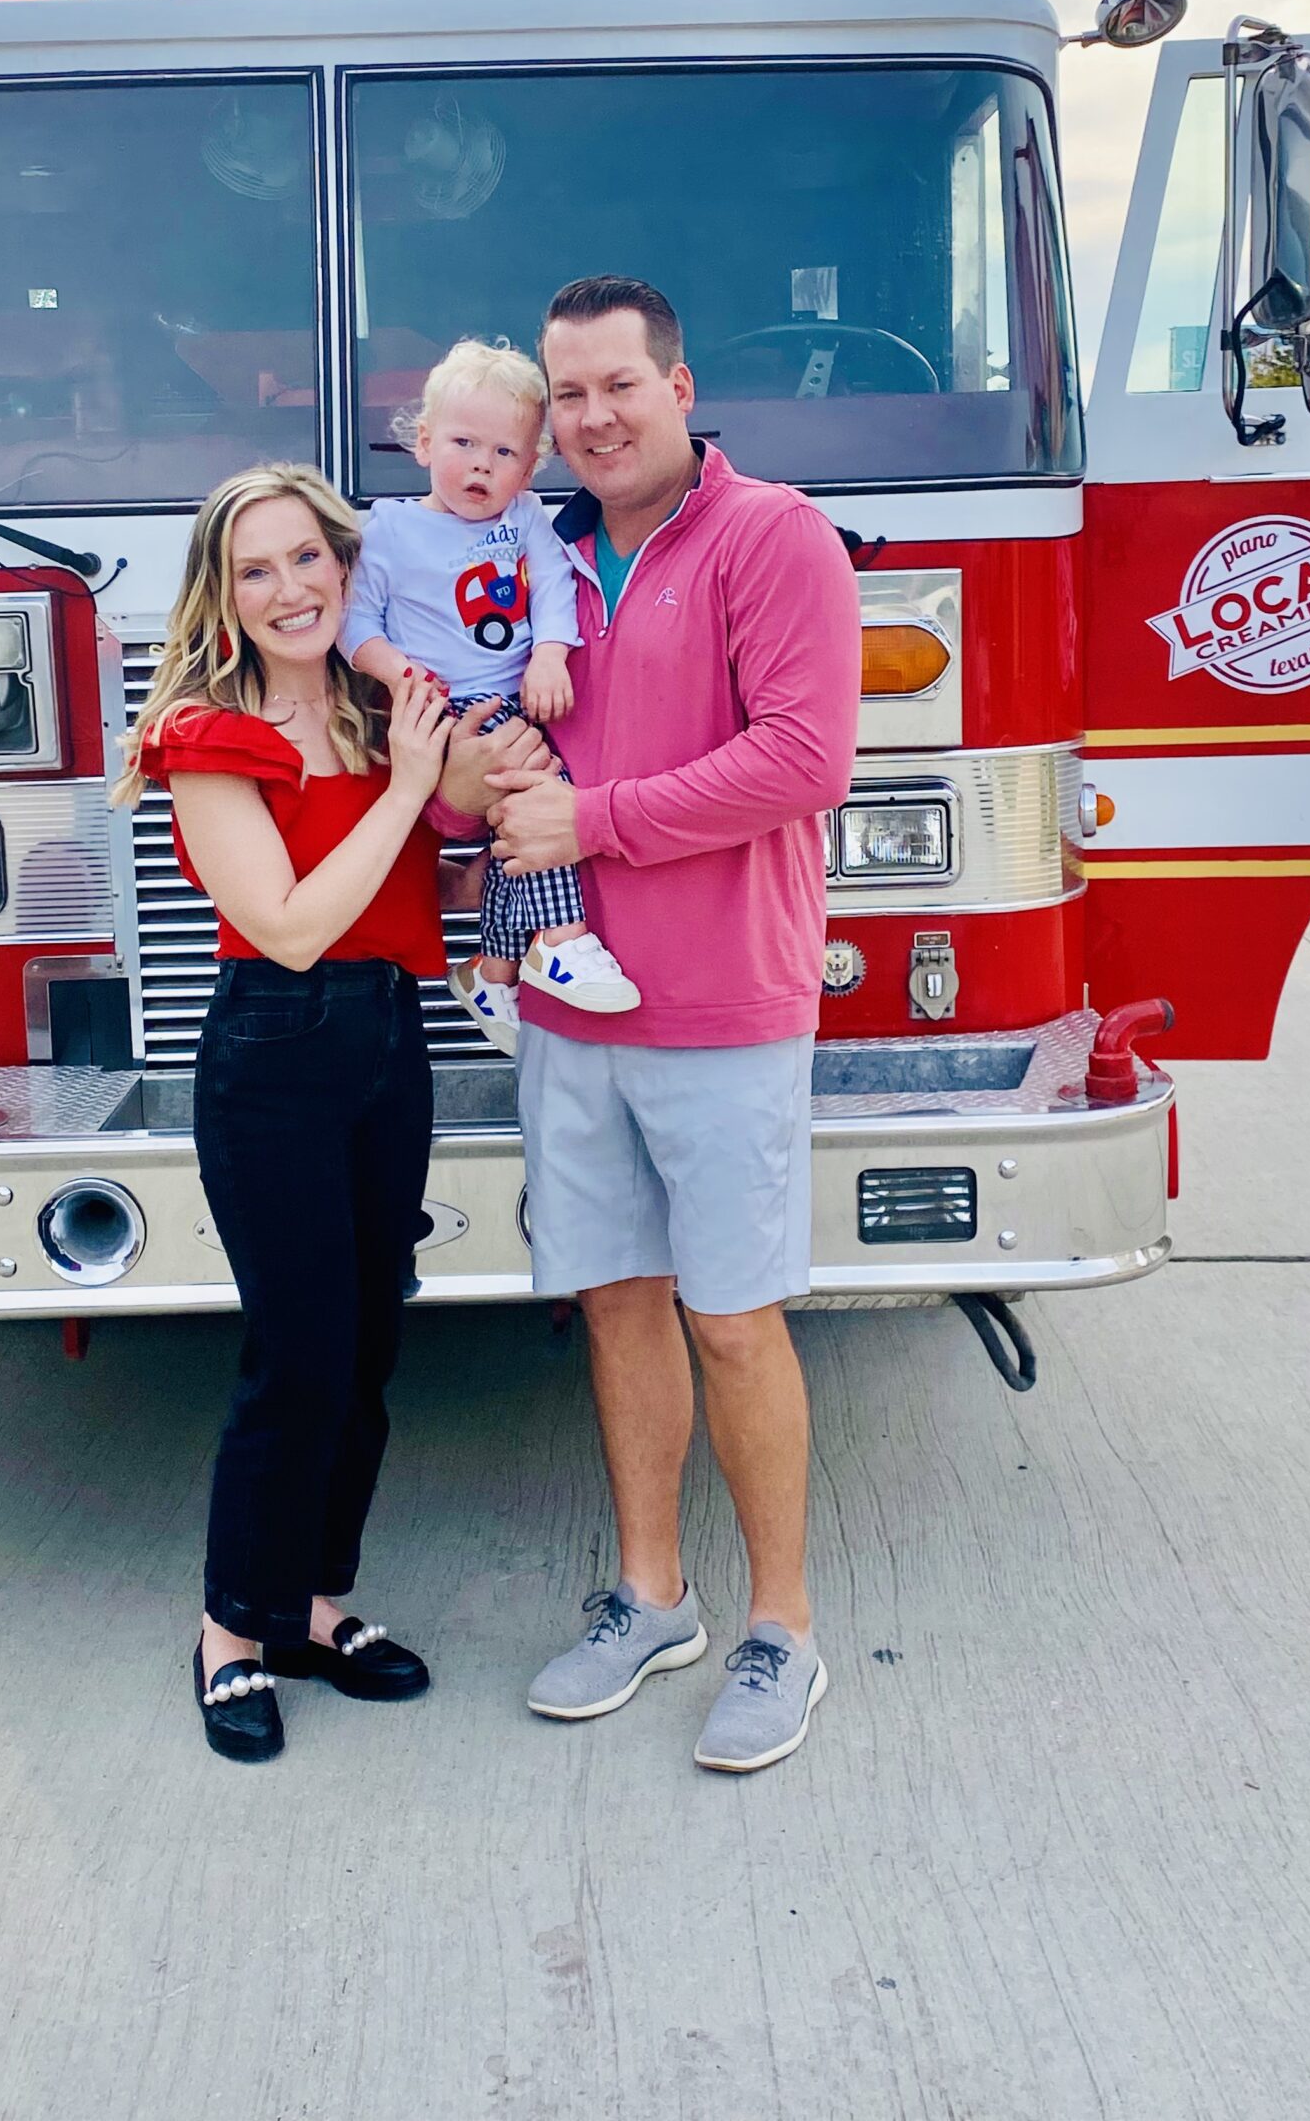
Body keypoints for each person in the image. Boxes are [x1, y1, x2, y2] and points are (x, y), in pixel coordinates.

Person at [488, 276, 862, 1774]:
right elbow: (501, 748)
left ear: (681, 384)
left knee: (733, 1317)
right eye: (565, 397)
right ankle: (653, 1599)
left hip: (721, 1005)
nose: (590, 420)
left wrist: (595, 818)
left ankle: (785, 1630)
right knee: (619, 1304)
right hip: (567, 1010)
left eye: (616, 387)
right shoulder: (541, 558)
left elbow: (802, 758)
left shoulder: (773, 538)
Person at [115, 461, 544, 1762]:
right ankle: (231, 1633)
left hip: (388, 1042)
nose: (291, 587)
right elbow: (292, 927)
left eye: (309, 559)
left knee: (368, 1351)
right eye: (258, 569)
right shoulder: (205, 737)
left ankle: (314, 1606)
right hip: (274, 1051)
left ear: (348, 568)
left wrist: (482, 746)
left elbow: (469, 803)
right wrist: (416, 787)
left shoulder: (384, 704)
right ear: (224, 597)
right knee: (296, 1354)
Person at [344, 337, 639, 1052]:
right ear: (422, 442)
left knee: (518, 820)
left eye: (505, 453)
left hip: (517, 698)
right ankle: (561, 940)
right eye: (463, 442)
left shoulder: (526, 519)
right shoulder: (388, 530)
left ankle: (494, 967)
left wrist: (548, 657)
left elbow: (557, 591)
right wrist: (398, 674)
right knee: (542, 799)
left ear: (530, 466)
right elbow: (355, 625)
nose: (482, 463)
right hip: (438, 713)